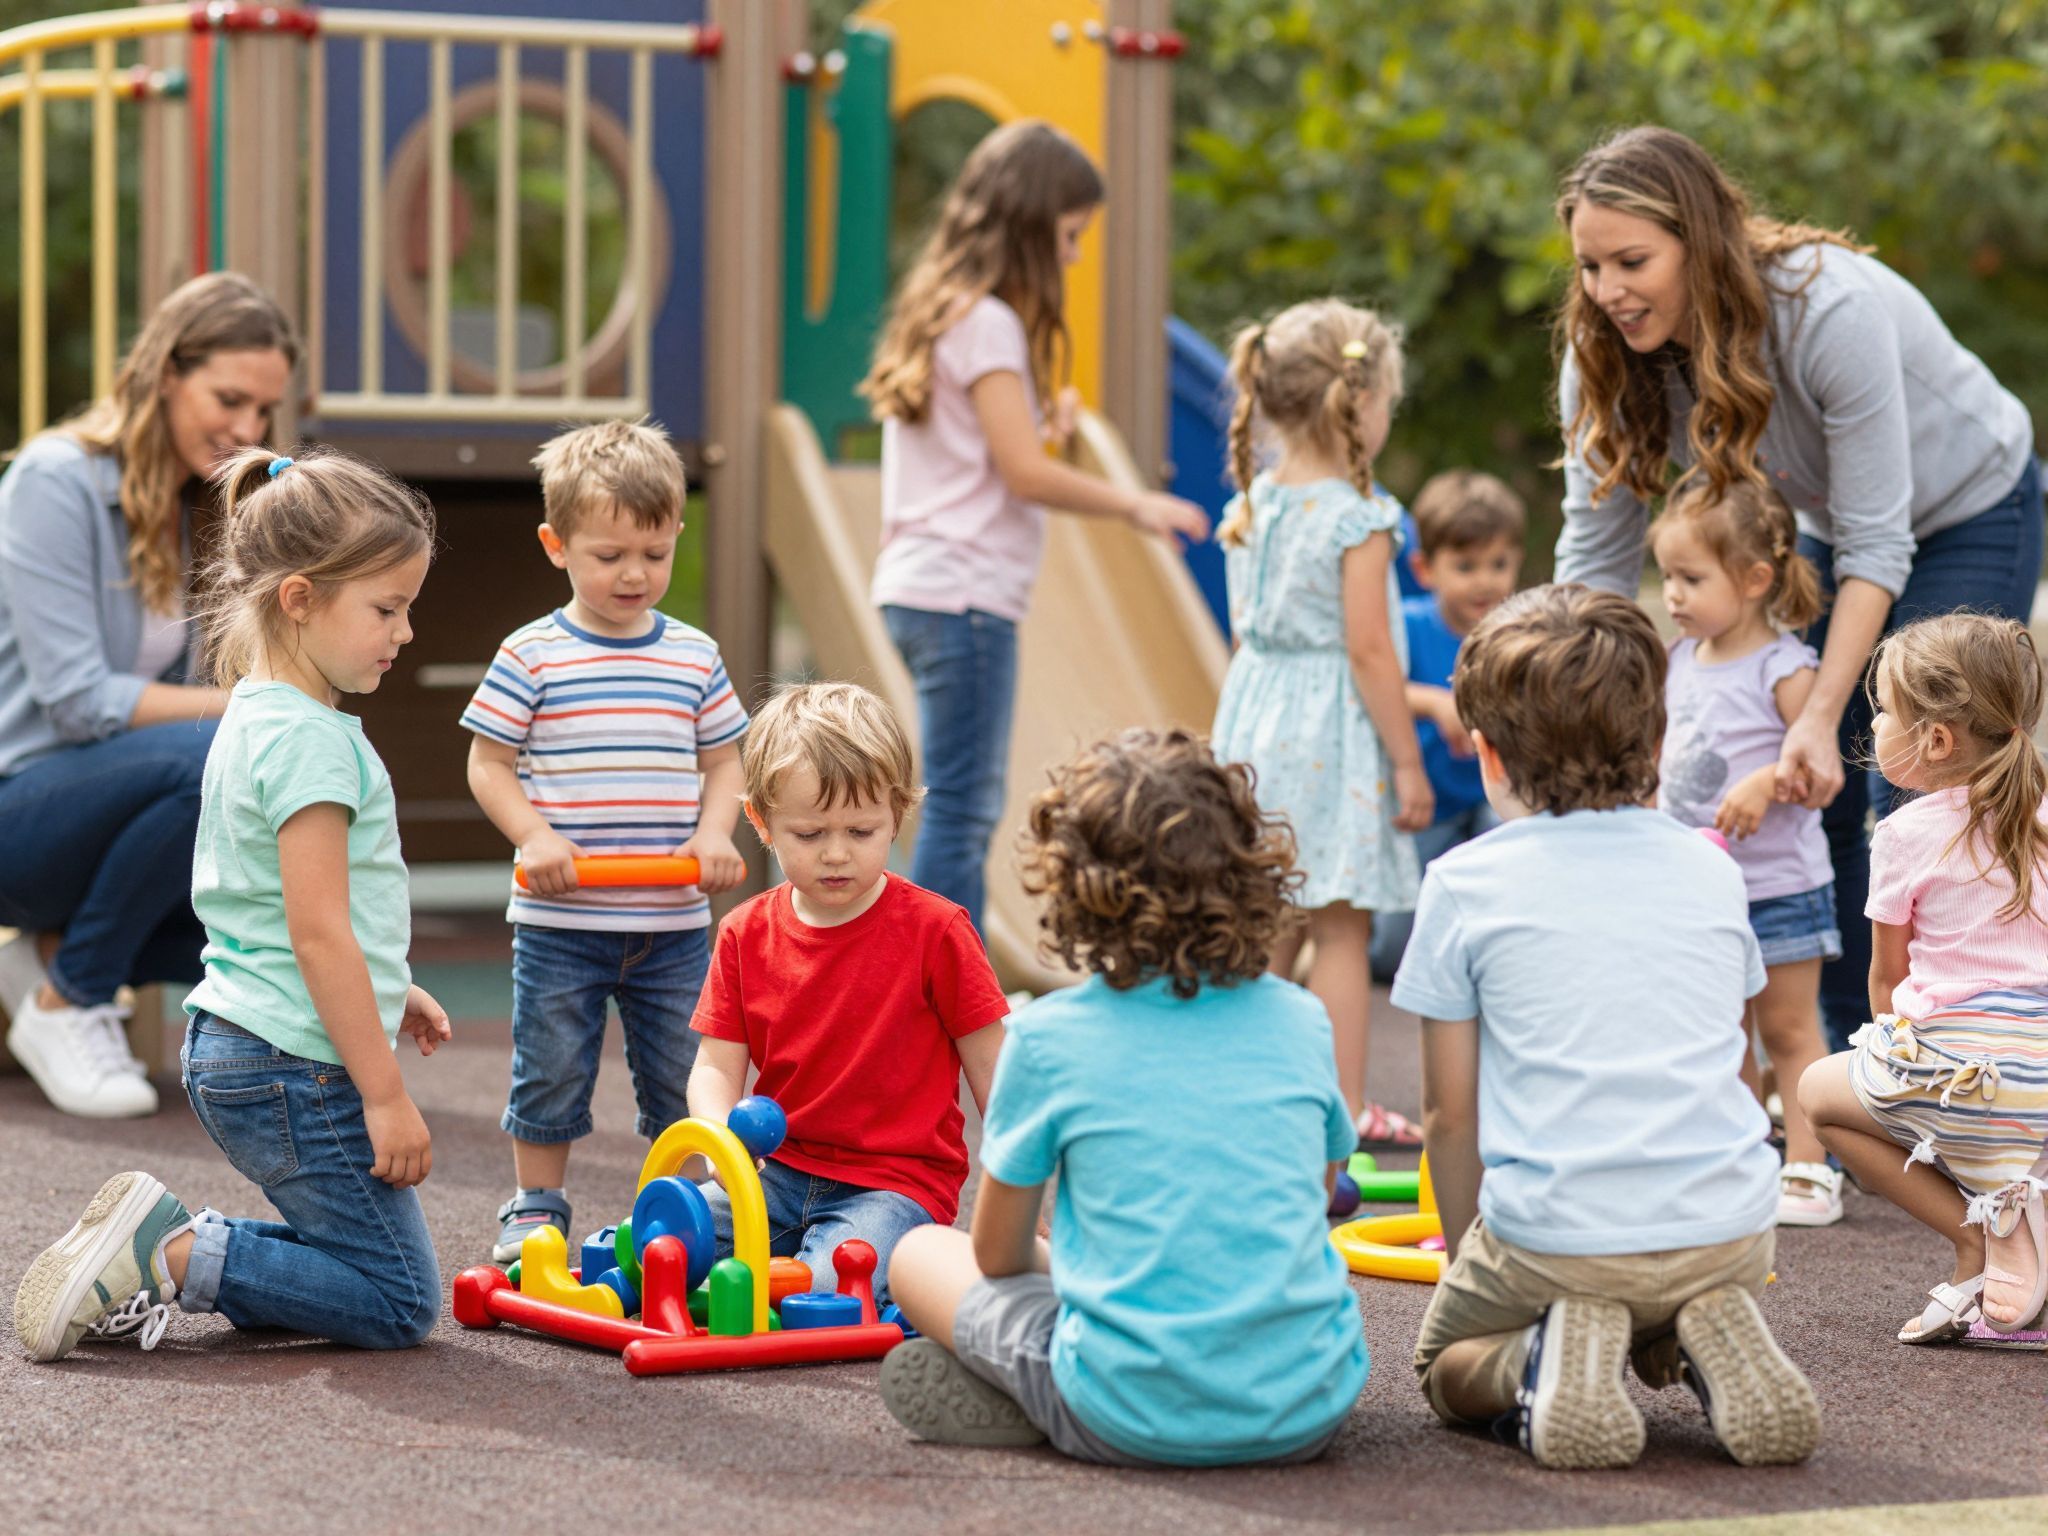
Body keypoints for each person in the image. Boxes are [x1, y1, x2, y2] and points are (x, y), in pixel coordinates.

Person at [1551, 125, 2039, 1055]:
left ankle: (1961, 1050)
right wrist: (1566, 707)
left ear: (1699, 241)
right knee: (1823, 791)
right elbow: (1598, 556)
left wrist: (1819, 714)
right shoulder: (1605, 351)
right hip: (1836, 521)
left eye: (1632, 261)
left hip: (1971, 502)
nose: (1606, 291)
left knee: (1910, 775)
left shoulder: (1825, 308)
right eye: (1587, 265)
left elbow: (1876, 542)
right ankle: (1849, 1054)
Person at [13, 445, 449, 1363]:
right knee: (400, 1299)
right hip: (297, 1069)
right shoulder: (314, 745)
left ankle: (169, 1249)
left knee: (366, 1265)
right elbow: (317, 927)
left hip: (243, 1048)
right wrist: (385, 1095)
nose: (403, 632)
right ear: (299, 598)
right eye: (387, 608)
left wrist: (387, 986)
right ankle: (176, 1254)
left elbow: (274, 907)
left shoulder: (252, 710)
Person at [1394, 584, 1819, 1470]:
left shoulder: (1465, 884)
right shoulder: (1709, 872)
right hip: (1732, 1227)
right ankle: (1694, 1340)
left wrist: (1472, 1245)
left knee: (1443, 1365)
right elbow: (1739, 1069)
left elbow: (1448, 1115)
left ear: (1489, 755)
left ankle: (1538, 1356)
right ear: (1658, 744)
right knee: (1656, 1290)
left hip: (1561, 1237)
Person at [879, 728, 1365, 1466]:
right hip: (1308, 1407)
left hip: (1123, 1411)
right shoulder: (1300, 1017)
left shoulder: (1046, 1039)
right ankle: (1040, 1393)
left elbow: (997, 1255)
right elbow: (1315, 1195)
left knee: (916, 1253)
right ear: (1247, 873)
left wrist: (1064, 1261)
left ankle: (1035, 1400)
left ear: (1074, 889)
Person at [862, 120, 1208, 937]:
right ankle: (942, 994)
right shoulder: (989, 323)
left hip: (916, 587)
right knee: (964, 810)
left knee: (950, 800)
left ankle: (925, 985)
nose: (1075, 256)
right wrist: (1134, 505)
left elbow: (980, 452)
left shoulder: (940, 310)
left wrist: (1044, 422)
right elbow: (1021, 473)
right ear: (1029, 224)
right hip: (966, 597)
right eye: (1069, 235)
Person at [0, 272, 296, 1118]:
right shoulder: (53, 480)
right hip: (20, 810)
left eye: (263, 411)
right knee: (227, 747)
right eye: (229, 399)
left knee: (276, 887)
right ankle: (70, 998)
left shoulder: (197, 506)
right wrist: (257, 710)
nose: (246, 429)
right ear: (167, 372)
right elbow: (79, 704)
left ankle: (58, 961)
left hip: (107, 811)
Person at [460, 419, 750, 1264]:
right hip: (563, 919)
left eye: (653, 555)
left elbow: (726, 760)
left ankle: (688, 1207)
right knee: (550, 1067)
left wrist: (713, 832)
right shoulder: (534, 655)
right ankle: (536, 1204)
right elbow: (488, 765)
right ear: (556, 545)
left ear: (675, 538)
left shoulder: (693, 657)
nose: (634, 574)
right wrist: (535, 834)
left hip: (670, 919)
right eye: (610, 555)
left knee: (684, 1073)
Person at [686, 683, 1008, 1306]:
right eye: (809, 834)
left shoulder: (937, 931)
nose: (837, 855)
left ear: (898, 814)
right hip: (774, 1174)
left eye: (861, 830)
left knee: (829, 1290)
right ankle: (765, 1271)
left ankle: (857, 1270)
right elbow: (713, 1068)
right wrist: (719, 1141)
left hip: (894, 1183)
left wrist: (1028, 1192)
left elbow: (998, 1073)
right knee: (664, 1242)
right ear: (761, 822)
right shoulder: (744, 932)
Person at [1209, 298, 1430, 1149]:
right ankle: (1336, 1112)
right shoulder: (1358, 515)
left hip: (1256, 717)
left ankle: (1256, 1104)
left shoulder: (1254, 501)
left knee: (1270, 921)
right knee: (1340, 924)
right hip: (1331, 730)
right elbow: (1371, 651)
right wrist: (1407, 765)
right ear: (1361, 402)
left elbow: (1246, 630)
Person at [1801, 614, 2048, 1343]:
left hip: (1965, 1069)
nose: (1873, 724)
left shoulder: (1906, 835)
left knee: (1822, 1095)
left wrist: (1899, 1060)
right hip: (2044, 1068)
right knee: (1994, 1104)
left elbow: (1888, 979)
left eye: (1883, 712)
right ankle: (2017, 1196)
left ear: (1935, 741)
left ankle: (1978, 1235)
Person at [1652, 481, 1842, 1226]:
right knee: (1720, 1033)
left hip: (1780, 885)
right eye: (1667, 577)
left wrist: (1767, 779)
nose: (1672, 594)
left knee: (1790, 1031)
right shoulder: (1677, 659)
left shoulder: (1785, 669)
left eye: (1691, 579)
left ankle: (1808, 1165)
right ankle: (1741, 1156)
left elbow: (1819, 771)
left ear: (1755, 580)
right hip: (1701, 888)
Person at [1370, 469, 1525, 981]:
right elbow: (1378, 683)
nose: (1485, 580)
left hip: (1493, 799)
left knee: (1520, 861)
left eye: (1498, 563)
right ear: (1425, 568)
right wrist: (1437, 703)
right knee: (1392, 954)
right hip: (1425, 804)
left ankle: (1501, 961)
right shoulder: (1409, 624)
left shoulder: (1518, 633)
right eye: (1465, 566)